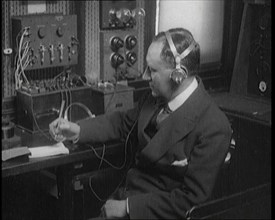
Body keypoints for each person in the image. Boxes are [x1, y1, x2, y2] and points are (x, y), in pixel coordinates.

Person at [49, 27, 232, 219]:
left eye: (152, 70)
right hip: (124, 199)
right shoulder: (153, 99)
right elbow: (121, 122)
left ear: (179, 75)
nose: (145, 76)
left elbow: (191, 201)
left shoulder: (214, 127)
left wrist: (127, 208)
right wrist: (77, 129)